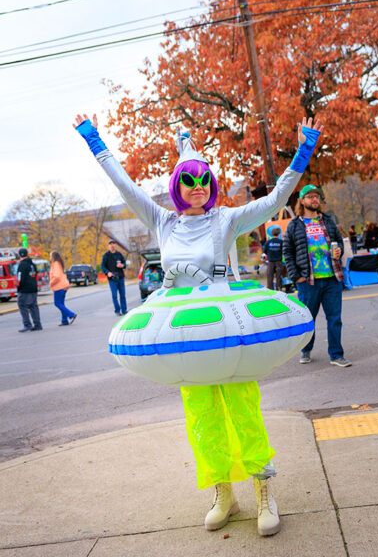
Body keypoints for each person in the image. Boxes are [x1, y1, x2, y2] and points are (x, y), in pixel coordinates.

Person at [74, 112, 323, 536]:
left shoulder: (225, 219)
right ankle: (224, 491)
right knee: (202, 419)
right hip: (187, 336)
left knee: (243, 411)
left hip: (227, 331)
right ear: (176, 187)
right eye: (187, 180)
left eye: (203, 179)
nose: (197, 187)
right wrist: (94, 140)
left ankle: (264, 489)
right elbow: (124, 185)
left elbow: (275, 202)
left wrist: (303, 150)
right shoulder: (162, 221)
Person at [283, 185, 352, 368]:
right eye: (310, 197)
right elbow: (287, 252)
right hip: (308, 281)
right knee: (308, 318)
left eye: (317, 197)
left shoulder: (328, 221)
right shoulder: (294, 225)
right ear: (302, 201)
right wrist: (296, 277)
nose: (315, 200)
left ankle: (336, 354)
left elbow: (339, 244)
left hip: (332, 278)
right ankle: (306, 349)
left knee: (335, 318)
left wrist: (338, 251)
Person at [16, 248, 42, 332]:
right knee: (33, 306)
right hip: (33, 288)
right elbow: (35, 274)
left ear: (19, 255)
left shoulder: (22, 265)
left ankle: (27, 324)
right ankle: (38, 324)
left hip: (24, 289)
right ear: (27, 254)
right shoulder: (32, 264)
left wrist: (18, 287)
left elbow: (20, 278)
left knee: (22, 305)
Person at [49, 251, 77, 326]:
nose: (50, 257)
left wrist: (51, 283)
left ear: (53, 257)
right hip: (63, 286)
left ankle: (71, 314)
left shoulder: (56, 264)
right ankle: (64, 320)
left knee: (57, 303)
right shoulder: (59, 264)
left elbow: (57, 276)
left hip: (59, 286)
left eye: (50, 256)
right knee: (61, 304)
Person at [101, 239, 127, 315]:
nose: (112, 245)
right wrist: (107, 272)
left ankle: (124, 310)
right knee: (114, 295)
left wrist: (122, 265)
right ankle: (117, 311)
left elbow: (124, 263)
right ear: (109, 246)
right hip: (112, 278)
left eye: (113, 244)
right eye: (110, 244)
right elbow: (103, 266)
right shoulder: (106, 255)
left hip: (121, 277)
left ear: (115, 245)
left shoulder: (119, 254)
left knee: (122, 295)